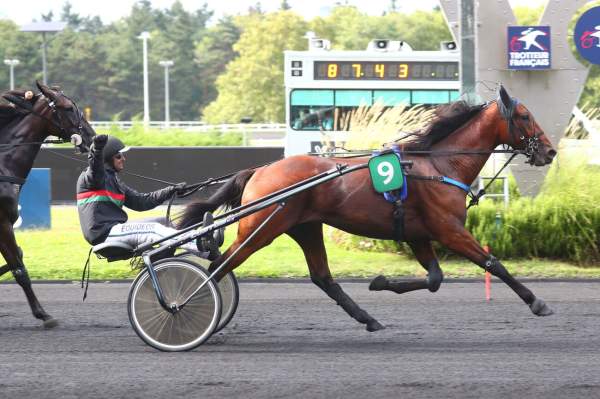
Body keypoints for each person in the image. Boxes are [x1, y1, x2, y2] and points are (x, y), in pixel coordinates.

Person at [76, 134, 217, 259]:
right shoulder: (91, 179)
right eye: (118, 156)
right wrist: (97, 151)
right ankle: (199, 243)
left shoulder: (115, 182)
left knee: (164, 221)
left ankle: (206, 252)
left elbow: (142, 202)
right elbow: (96, 170)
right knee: (153, 229)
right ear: (106, 159)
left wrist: (171, 190)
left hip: (115, 228)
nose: (123, 159)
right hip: (103, 234)